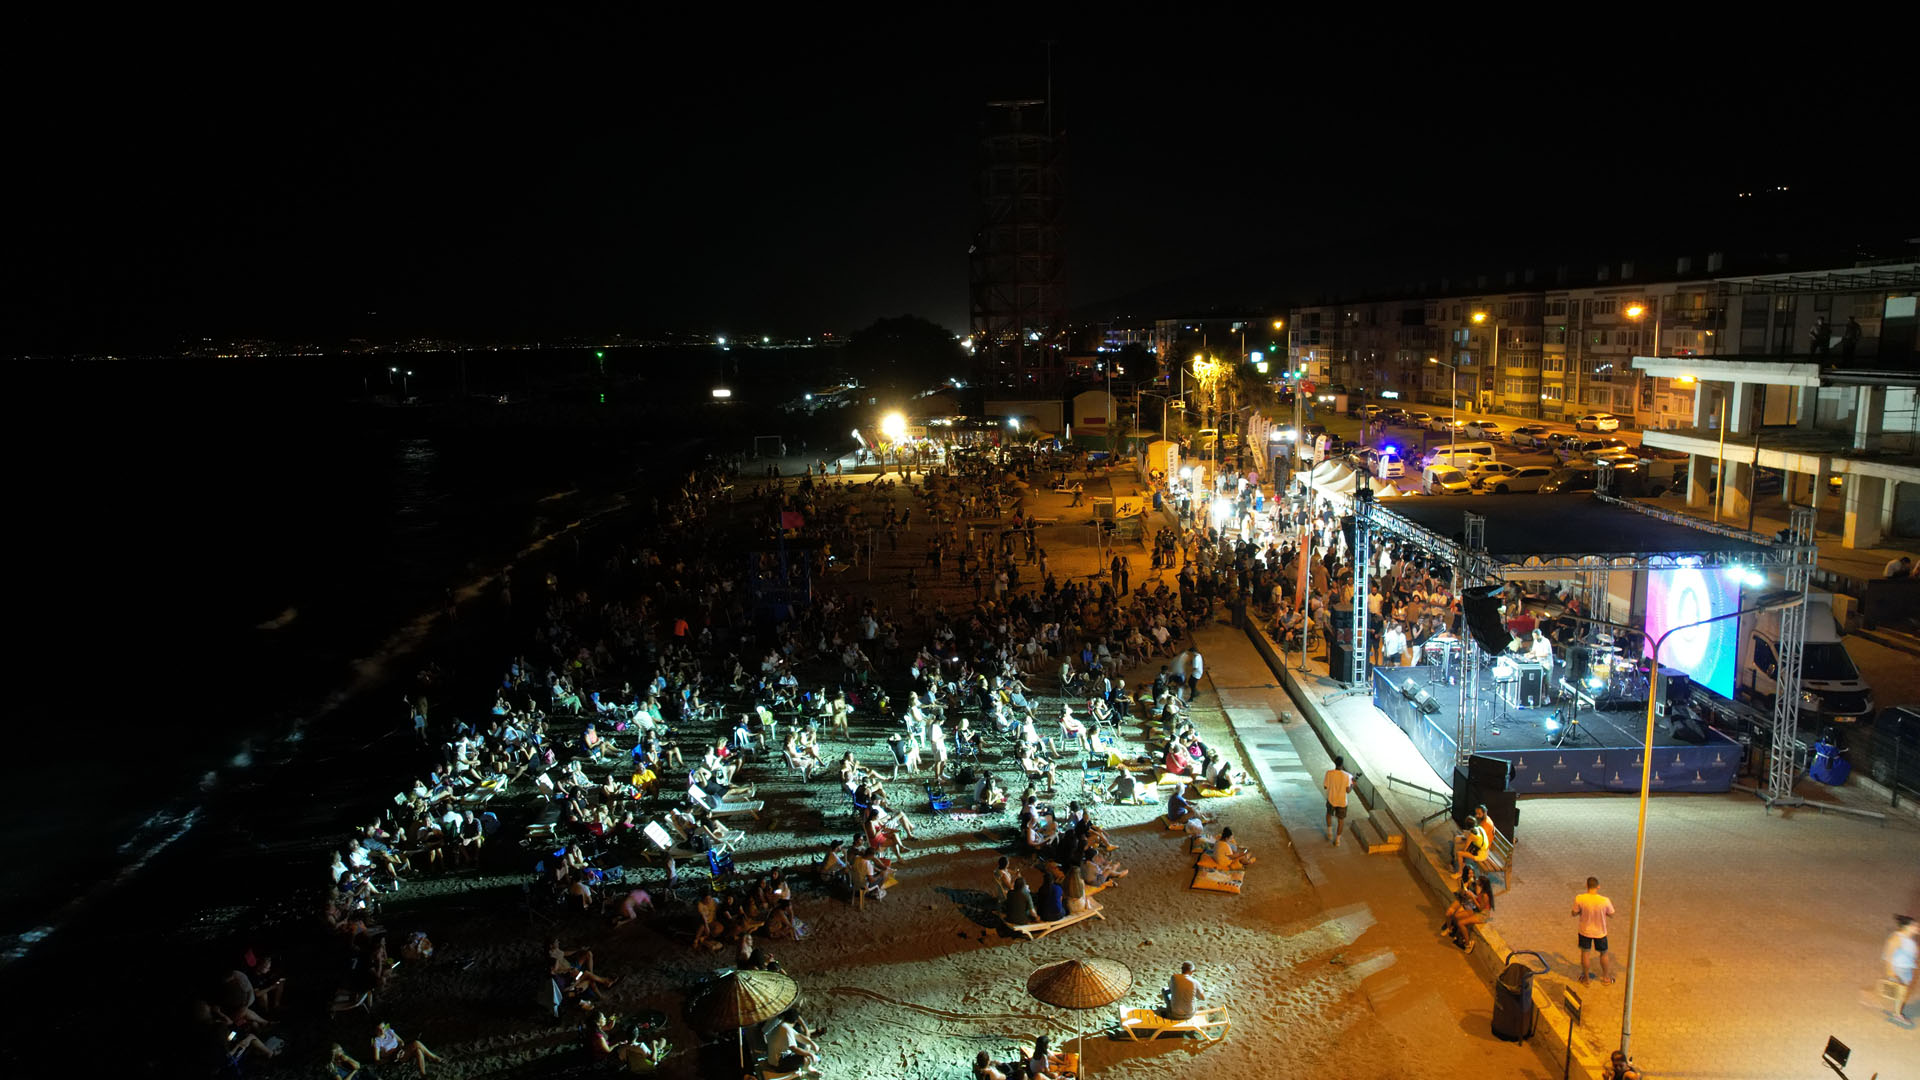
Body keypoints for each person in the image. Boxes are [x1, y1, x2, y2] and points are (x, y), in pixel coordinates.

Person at [1572, 877, 1617, 985]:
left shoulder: (1580, 898)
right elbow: (1612, 914)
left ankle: (1586, 979)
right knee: (1604, 953)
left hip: (1585, 931)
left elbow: (1574, 913)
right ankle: (1606, 978)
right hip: (1600, 932)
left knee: (1585, 953)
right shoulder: (1604, 900)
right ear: (1598, 886)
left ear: (1586, 886)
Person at [1441, 869, 1494, 953]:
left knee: (1461, 923)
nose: (1476, 881)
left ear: (1482, 884)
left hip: (1482, 915)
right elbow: (1478, 901)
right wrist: (1472, 895)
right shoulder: (1482, 891)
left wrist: (1473, 897)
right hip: (1477, 910)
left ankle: (1467, 943)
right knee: (1457, 916)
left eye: (1478, 881)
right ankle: (1458, 934)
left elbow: (1481, 908)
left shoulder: (1485, 895)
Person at [1881, 917, 1919, 1024]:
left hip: (1907, 969)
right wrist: (1890, 971)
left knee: (1899, 992)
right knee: (1901, 993)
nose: (1917, 927)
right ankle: (1897, 1015)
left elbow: (1913, 954)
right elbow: (1888, 955)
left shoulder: (1909, 939)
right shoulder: (1897, 938)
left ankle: (1895, 1011)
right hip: (1899, 969)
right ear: (1907, 927)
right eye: (1914, 925)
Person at [370, 1021, 443, 1077]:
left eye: (383, 1028)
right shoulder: (377, 1041)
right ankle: (433, 1057)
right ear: (375, 1031)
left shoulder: (389, 1031)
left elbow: (401, 1041)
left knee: (418, 1051)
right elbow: (377, 1060)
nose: (382, 1031)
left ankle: (423, 1074)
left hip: (401, 1051)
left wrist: (401, 1048)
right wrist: (390, 1059)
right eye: (379, 1030)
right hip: (394, 1059)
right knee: (416, 1043)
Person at [766, 1007, 822, 1073]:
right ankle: (808, 1069)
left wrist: (812, 1043)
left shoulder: (783, 1025)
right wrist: (810, 1054)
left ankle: (809, 1065)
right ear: (795, 1021)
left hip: (774, 1059)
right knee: (806, 1058)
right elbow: (794, 1049)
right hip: (778, 1063)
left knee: (805, 1052)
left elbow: (799, 1036)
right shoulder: (786, 1029)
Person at [1322, 755, 1353, 846]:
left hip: (1331, 799)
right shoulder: (1347, 776)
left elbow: (1325, 786)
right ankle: (1337, 840)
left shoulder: (1329, 773)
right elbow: (1348, 791)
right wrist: (1353, 785)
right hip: (1342, 802)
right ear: (1342, 765)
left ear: (1335, 763)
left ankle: (1330, 833)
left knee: (1328, 814)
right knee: (1341, 820)